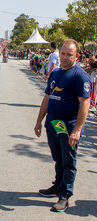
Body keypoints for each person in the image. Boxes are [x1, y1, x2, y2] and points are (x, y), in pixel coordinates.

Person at [34, 39, 92, 212]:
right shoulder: (56, 73)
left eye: (69, 54)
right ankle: (57, 186)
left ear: (77, 56)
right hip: (52, 124)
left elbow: (85, 104)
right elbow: (46, 98)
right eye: (63, 53)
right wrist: (39, 121)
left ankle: (65, 196)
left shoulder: (80, 75)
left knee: (68, 161)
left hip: (68, 127)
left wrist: (77, 130)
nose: (65, 57)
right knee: (58, 158)